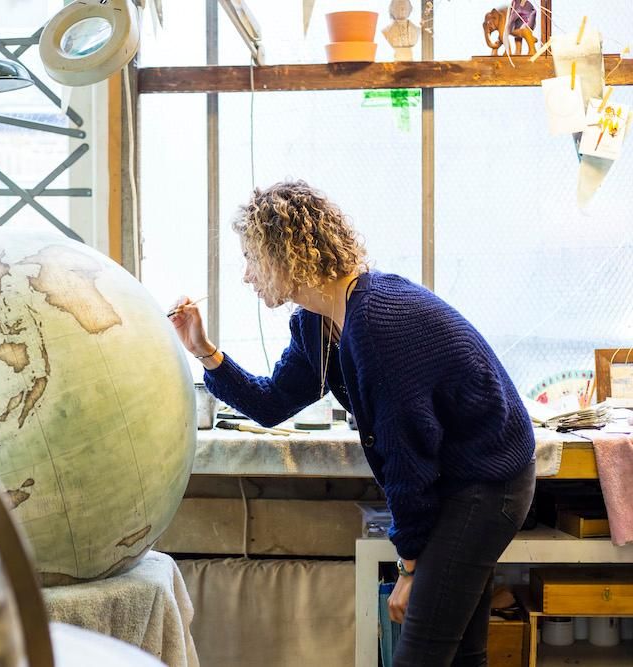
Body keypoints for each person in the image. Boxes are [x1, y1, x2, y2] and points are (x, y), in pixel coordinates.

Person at [169, 180, 535, 666]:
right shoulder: (319, 322)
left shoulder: (378, 321)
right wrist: (204, 352)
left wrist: (409, 567)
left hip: (489, 485)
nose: (245, 276)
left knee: (422, 653)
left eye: (251, 258)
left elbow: (407, 456)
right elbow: (272, 401)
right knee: (462, 655)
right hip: (459, 481)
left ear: (287, 254)